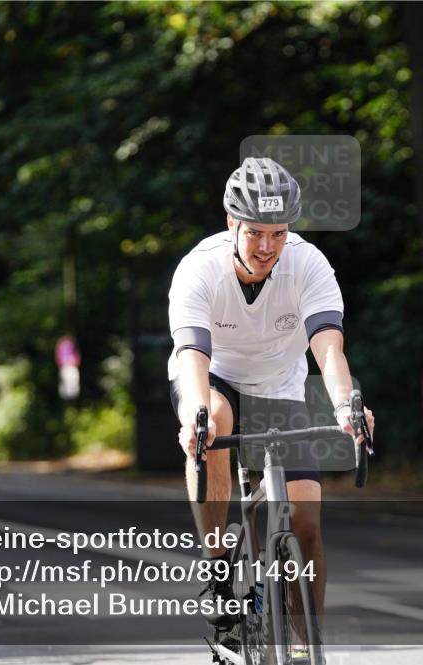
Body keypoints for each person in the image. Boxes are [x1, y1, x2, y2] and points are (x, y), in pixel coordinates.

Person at [167, 157, 375, 630]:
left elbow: (329, 349)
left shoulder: (308, 264)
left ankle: (304, 643)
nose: (267, 247)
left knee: (305, 518)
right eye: (255, 233)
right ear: (231, 223)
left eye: (278, 233)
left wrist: (345, 404)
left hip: (278, 387)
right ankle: (218, 570)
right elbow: (192, 355)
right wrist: (195, 417)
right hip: (212, 377)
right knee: (213, 420)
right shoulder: (198, 270)